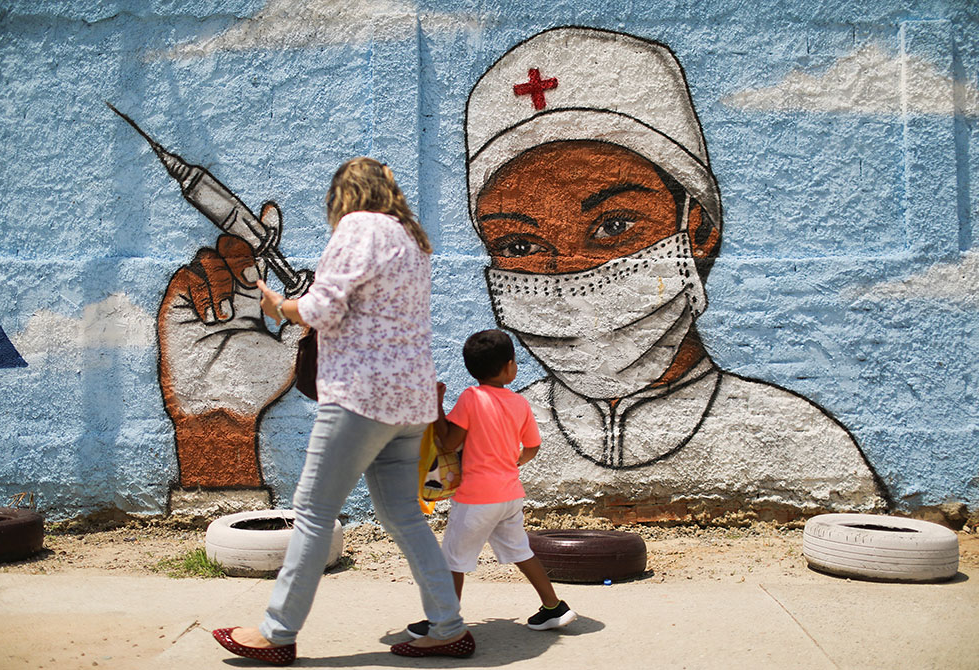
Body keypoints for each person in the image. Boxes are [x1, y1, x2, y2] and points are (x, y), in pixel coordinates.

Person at [465, 26, 891, 515]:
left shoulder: (797, 439)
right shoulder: (504, 435)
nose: (567, 275)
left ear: (698, 229)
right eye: (519, 244)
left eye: (614, 226)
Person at [211, 157, 475, 665]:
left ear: (345, 195)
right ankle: (448, 626)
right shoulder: (410, 240)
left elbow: (323, 309)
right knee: (403, 516)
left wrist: (280, 307)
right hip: (409, 401)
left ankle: (277, 634)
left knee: (312, 512)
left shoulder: (358, 228)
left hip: (360, 396)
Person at [405, 329, 576, 640]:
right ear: (510, 366)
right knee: (522, 552)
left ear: (472, 368)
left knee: (453, 561)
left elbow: (448, 441)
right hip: (510, 495)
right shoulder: (520, 403)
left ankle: (445, 621)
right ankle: (554, 608)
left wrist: (437, 406)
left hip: (476, 500)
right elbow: (532, 447)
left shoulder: (472, 397)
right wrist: (515, 462)